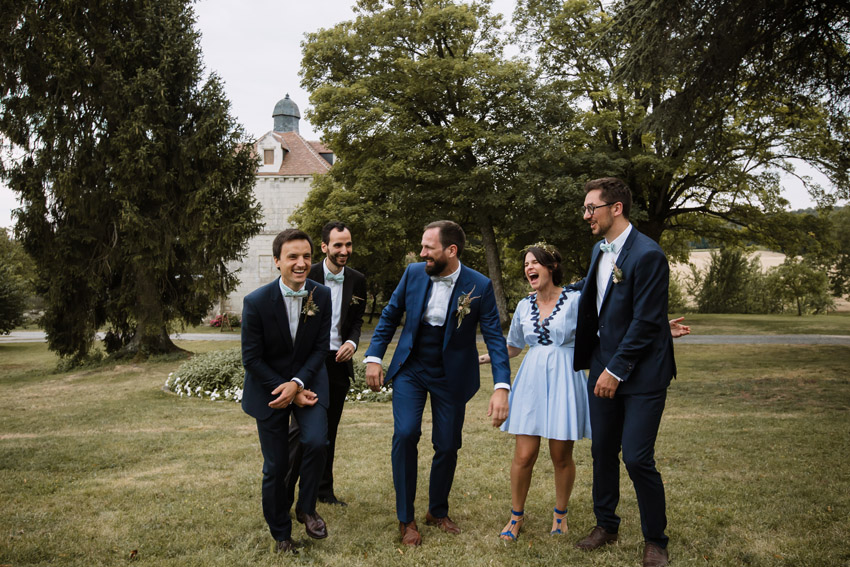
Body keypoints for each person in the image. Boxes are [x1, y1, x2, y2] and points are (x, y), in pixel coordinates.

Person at [364, 220, 512, 547]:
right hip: (411, 368)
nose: (422, 253)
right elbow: (389, 315)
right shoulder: (414, 273)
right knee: (405, 434)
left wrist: (502, 385)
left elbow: (494, 340)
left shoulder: (480, 286)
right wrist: (373, 356)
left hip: (451, 375)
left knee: (447, 444)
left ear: (451, 251)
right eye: (423, 247)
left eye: (428, 248)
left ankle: (437, 510)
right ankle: (407, 519)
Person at [572, 177, 677, 567]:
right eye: (585, 209)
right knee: (602, 451)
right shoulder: (600, 250)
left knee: (636, 457)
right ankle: (606, 525)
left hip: (643, 372)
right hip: (601, 361)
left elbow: (647, 321)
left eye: (591, 208)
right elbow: (598, 297)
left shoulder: (648, 254)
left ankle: (656, 539)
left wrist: (616, 371)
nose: (586, 216)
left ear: (616, 208)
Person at [479, 243, 590, 541]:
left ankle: (560, 515)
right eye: (526, 263)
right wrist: (488, 356)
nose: (529, 268)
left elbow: (605, 332)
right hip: (531, 381)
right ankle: (516, 516)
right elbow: (514, 345)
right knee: (524, 454)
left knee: (560, 455)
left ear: (551, 267)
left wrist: (655, 329)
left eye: (534, 262)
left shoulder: (576, 300)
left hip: (565, 378)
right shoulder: (524, 305)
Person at [241, 229, 332, 554]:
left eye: (306, 256)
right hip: (268, 389)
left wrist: (299, 384)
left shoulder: (321, 295)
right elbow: (251, 358)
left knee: (316, 441)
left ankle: (306, 507)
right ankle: (281, 533)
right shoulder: (255, 302)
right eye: (292, 257)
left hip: (308, 382)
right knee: (276, 467)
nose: (301, 263)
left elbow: (320, 347)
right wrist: (289, 391)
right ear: (277, 261)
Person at [285, 221, 367, 508]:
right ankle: (286, 488)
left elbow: (357, 320)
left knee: (329, 431)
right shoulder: (308, 274)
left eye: (348, 244)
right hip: (309, 362)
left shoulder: (357, 280)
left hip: (337, 363)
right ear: (324, 247)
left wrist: (352, 343)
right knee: (301, 431)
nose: (344, 250)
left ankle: (324, 490)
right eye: (338, 245)